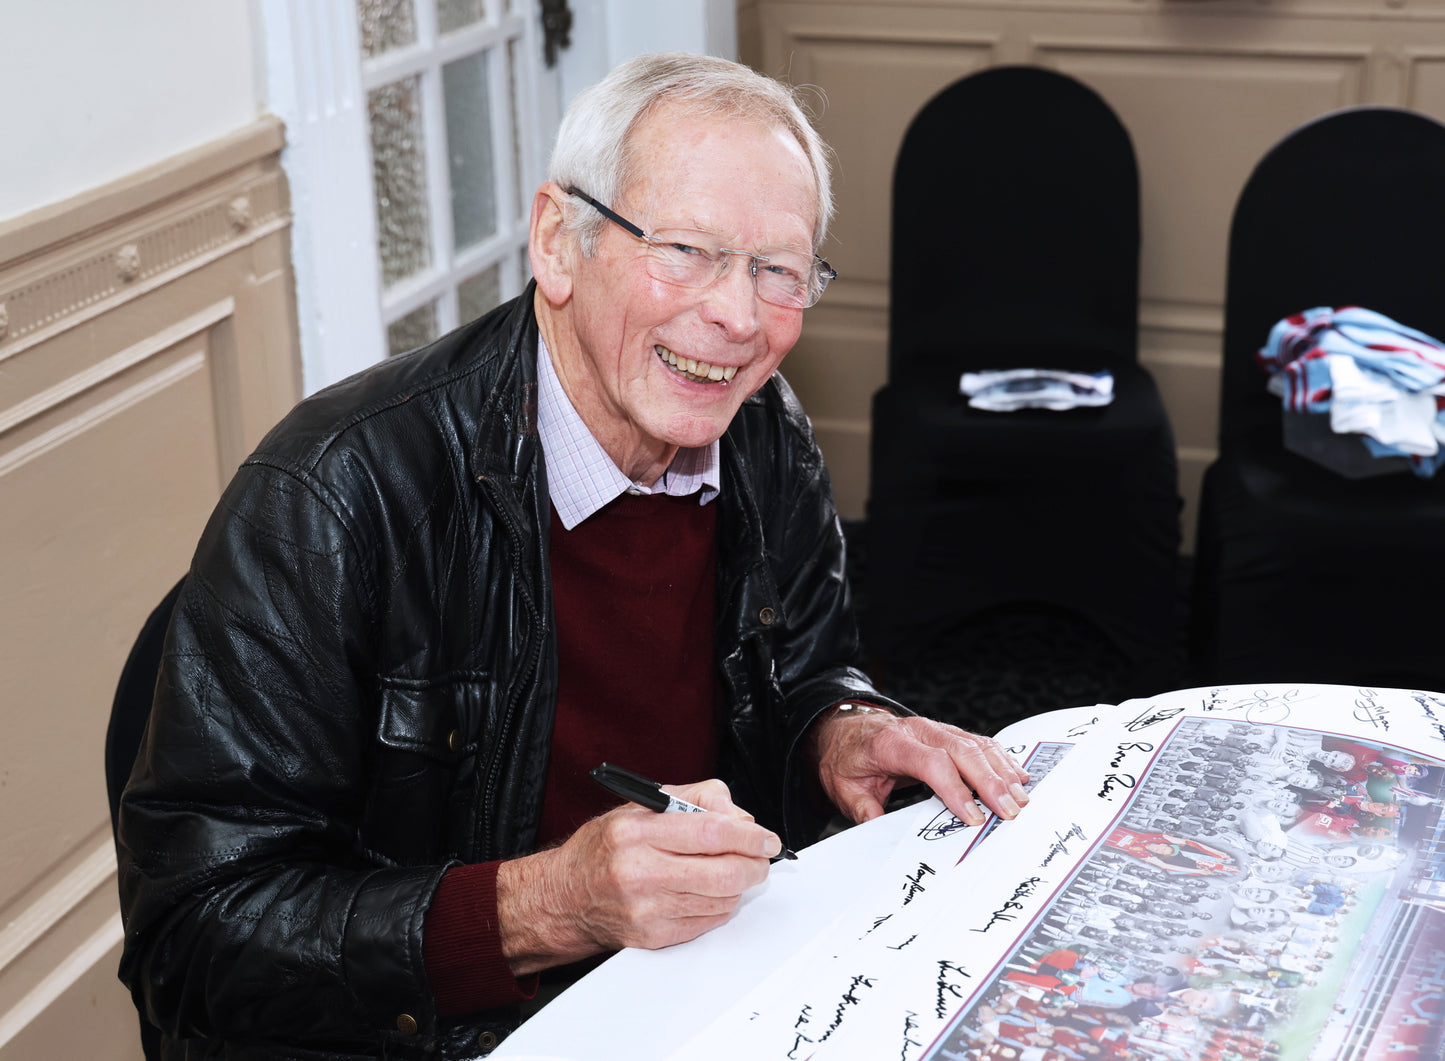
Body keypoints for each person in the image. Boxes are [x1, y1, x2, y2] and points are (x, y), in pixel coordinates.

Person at [115, 52, 1030, 1060]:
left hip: (697, 985)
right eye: (685, 248)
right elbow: (193, 938)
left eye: (778, 268)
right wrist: (552, 902)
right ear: (559, 241)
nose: (735, 315)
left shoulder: (763, 430)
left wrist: (840, 729)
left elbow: (801, 673)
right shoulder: (330, 495)